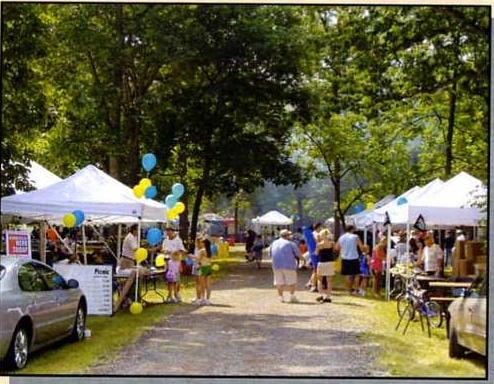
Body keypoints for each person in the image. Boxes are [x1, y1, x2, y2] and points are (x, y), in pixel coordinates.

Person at [269, 229, 300, 303]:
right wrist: (304, 260)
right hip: (289, 264)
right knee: (291, 281)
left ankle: (280, 297)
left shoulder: (273, 243)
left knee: (279, 281)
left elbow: (270, 254)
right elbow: (298, 254)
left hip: (276, 264)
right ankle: (292, 296)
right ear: (287, 236)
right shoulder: (291, 244)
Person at [335, 225, 363, 295]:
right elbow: (361, 247)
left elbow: (336, 248)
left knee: (347, 275)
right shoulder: (355, 237)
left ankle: (348, 290)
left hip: (345, 258)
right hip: (354, 257)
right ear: (352, 229)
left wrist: (343, 249)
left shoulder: (341, 237)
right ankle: (355, 290)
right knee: (357, 275)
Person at [161, 226, 187, 301]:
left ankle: (177, 294)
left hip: (176, 261)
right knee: (169, 279)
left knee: (176, 279)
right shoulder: (165, 240)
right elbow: (163, 249)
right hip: (167, 261)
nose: (168, 233)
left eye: (169, 231)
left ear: (173, 231)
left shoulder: (178, 240)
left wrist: (174, 253)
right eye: (167, 231)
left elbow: (182, 250)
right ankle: (169, 295)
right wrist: (165, 251)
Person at [315, 229, 336, 303]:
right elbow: (334, 251)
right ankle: (328, 296)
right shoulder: (332, 243)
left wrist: (318, 241)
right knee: (329, 280)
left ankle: (321, 295)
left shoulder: (319, 244)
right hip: (330, 262)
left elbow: (316, 253)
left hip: (322, 262)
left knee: (320, 280)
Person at [197, 237, 213, 305]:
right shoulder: (209, 251)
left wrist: (191, 256)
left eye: (202, 242)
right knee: (208, 284)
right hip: (209, 267)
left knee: (201, 284)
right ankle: (208, 299)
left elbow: (198, 259)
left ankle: (202, 298)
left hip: (203, 267)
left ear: (204, 243)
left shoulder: (202, 251)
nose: (201, 243)